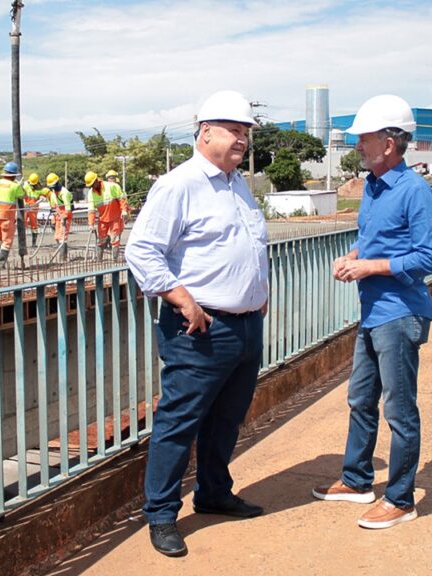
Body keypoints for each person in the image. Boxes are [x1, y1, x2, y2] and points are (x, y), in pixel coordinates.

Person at [125, 90, 268, 557]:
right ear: (205, 133)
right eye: (234, 131)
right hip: (200, 328)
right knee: (179, 421)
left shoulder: (236, 183)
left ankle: (212, 493)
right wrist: (182, 299)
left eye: (245, 132)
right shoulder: (179, 184)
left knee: (226, 418)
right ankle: (162, 513)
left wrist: (258, 296)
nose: (242, 139)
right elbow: (142, 249)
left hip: (244, 327)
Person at [310, 95, 432, 530]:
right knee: (360, 399)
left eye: (364, 139)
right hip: (372, 311)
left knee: (399, 410)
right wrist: (353, 257)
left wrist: (370, 266)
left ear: (388, 143)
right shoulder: (371, 186)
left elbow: (429, 257)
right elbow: (375, 242)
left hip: (401, 313)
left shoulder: (414, 190)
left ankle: (401, 499)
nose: (358, 147)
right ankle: (357, 480)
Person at [84, 170, 129, 260]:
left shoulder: (111, 186)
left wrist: (124, 210)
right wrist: (91, 224)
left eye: (93, 184)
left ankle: (114, 260)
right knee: (101, 240)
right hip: (103, 219)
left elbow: (121, 199)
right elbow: (91, 210)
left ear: (97, 180)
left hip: (115, 218)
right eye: (90, 186)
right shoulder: (91, 194)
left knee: (115, 240)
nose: (92, 187)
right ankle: (99, 260)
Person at [0, 162, 24, 270]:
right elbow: (22, 196)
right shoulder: (15, 185)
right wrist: (20, 186)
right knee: (7, 241)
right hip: (7, 217)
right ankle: (2, 264)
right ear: (14, 176)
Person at [47, 172, 73, 246]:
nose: (53, 188)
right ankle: (59, 249)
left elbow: (68, 208)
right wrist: (54, 216)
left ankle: (63, 255)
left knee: (62, 235)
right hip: (58, 214)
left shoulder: (64, 193)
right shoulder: (54, 193)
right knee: (57, 235)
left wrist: (64, 217)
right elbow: (54, 205)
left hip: (65, 214)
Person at [22, 173, 43, 246]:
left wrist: (42, 198)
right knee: (23, 223)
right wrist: (24, 203)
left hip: (34, 209)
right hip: (25, 207)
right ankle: (22, 243)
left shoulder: (39, 188)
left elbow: (42, 196)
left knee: (34, 225)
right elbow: (21, 195)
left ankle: (34, 243)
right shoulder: (25, 186)